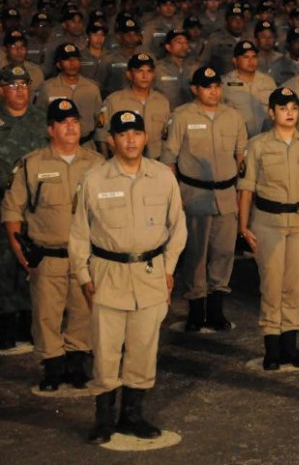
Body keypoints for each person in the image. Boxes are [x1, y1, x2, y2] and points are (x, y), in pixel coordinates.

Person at [69, 110, 186, 443]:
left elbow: (178, 228)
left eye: (136, 133)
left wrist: (168, 268)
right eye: (123, 134)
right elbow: (79, 233)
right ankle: (103, 419)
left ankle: (132, 415)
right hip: (108, 274)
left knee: (143, 348)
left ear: (145, 137)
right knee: (105, 350)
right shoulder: (94, 179)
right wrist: (82, 274)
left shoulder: (163, 177)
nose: (131, 140)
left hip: (149, 274)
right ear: (112, 140)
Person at [2, 99, 103, 390]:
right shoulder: (32, 164)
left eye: (74, 120)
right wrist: (18, 248)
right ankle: (53, 368)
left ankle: (77, 364)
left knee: (83, 310)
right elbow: (12, 209)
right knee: (47, 313)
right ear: (50, 129)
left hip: (85, 256)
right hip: (47, 256)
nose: (71, 126)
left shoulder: (96, 164)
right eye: (63, 122)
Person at [238, 87, 299, 369]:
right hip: (268, 222)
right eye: (283, 108)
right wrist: (243, 226)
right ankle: (272, 347)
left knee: (295, 286)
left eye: (294, 108)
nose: (289, 113)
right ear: (271, 112)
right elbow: (246, 189)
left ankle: (290, 346)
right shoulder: (258, 145)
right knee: (271, 286)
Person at [160, 66, 247, 332]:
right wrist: (176, 197)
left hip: (225, 195)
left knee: (223, 252)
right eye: (207, 87)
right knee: (196, 254)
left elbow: (241, 156)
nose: (214, 91)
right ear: (195, 89)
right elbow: (169, 159)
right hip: (194, 194)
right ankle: (197, 309)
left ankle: (216, 308)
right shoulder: (182, 117)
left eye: (217, 86)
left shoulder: (233, 116)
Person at [0, 65, 47, 350]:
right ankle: (5, 326)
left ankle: (30, 325)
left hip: (37, 207)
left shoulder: (43, 121)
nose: (20, 90)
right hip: (2, 204)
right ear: (2, 89)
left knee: (35, 266)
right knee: (4, 265)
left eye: (24, 85)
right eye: (13, 85)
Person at [95, 53, 171, 160]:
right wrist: (106, 162)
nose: (145, 76)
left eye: (149, 71)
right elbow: (101, 136)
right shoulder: (113, 101)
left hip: (155, 162)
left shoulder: (162, 101)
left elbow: (167, 137)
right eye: (140, 71)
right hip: (123, 161)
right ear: (129, 74)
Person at [36, 44, 102, 150]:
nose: (72, 64)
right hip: (56, 146)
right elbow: (39, 117)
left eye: (76, 59)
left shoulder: (92, 88)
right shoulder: (48, 88)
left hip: (86, 146)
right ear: (58, 64)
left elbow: (100, 120)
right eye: (67, 60)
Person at [221, 40, 277, 138]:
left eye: (254, 57)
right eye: (245, 57)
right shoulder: (223, 83)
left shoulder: (268, 82)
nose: (251, 61)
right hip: (237, 139)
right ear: (235, 60)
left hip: (266, 139)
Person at [153, 28, 197, 111]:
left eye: (186, 42)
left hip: (191, 116)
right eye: (178, 42)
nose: (183, 45)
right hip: (165, 114)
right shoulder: (158, 68)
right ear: (168, 47)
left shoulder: (196, 67)